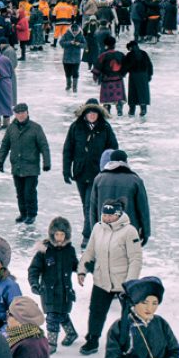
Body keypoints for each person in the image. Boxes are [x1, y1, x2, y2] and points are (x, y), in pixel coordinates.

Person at [77, 200, 143, 355]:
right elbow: (89, 251)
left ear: (118, 215)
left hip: (122, 283)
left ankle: (124, 342)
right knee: (96, 311)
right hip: (101, 279)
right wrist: (82, 271)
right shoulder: (98, 228)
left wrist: (130, 283)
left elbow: (135, 259)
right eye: (104, 215)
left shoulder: (129, 231)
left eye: (109, 215)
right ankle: (92, 340)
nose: (106, 218)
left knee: (126, 315)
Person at [62, 99, 119, 248]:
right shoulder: (76, 127)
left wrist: (111, 169)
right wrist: (66, 170)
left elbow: (113, 150)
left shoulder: (105, 128)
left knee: (89, 204)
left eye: (95, 113)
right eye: (90, 113)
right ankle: (95, 230)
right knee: (85, 205)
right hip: (80, 172)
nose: (92, 115)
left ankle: (87, 235)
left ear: (99, 114)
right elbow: (68, 149)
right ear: (85, 114)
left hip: (98, 174)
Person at [28, 216, 80, 353]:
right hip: (49, 292)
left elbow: (75, 265)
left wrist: (85, 268)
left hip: (65, 291)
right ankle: (51, 344)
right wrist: (34, 283)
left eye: (62, 234)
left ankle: (71, 333)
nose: (59, 238)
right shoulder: (44, 251)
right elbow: (34, 269)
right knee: (52, 317)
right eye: (57, 234)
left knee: (62, 314)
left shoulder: (70, 250)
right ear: (52, 234)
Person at [0, 103, 51, 224]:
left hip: (31, 167)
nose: (20, 115)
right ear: (15, 114)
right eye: (18, 113)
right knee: (20, 192)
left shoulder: (36, 128)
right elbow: (5, 145)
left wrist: (46, 162)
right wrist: (1, 160)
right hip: (17, 166)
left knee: (29, 192)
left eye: (23, 113)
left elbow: (44, 146)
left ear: (27, 113)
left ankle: (31, 214)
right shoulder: (11, 128)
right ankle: (23, 213)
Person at [88, 150, 152, 246]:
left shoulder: (99, 179)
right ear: (125, 162)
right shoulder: (135, 180)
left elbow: (93, 209)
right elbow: (143, 210)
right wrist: (146, 233)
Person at [122, 40, 153, 117]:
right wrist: (149, 75)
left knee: (133, 93)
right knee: (143, 92)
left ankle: (132, 110)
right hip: (143, 76)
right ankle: (143, 109)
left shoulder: (130, 55)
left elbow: (126, 66)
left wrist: (122, 74)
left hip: (134, 76)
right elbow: (149, 65)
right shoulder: (144, 53)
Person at [59, 22, 84, 92]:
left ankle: (75, 87)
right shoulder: (66, 34)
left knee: (75, 73)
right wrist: (69, 43)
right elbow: (61, 43)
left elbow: (84, 45)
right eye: (74, 31)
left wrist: (79, 44)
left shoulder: (80, 35)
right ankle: (68, 85)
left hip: (76, 59)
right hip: (67, 58)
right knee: (68, 73)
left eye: (76, 31)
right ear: (71, 30)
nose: (75, 32)